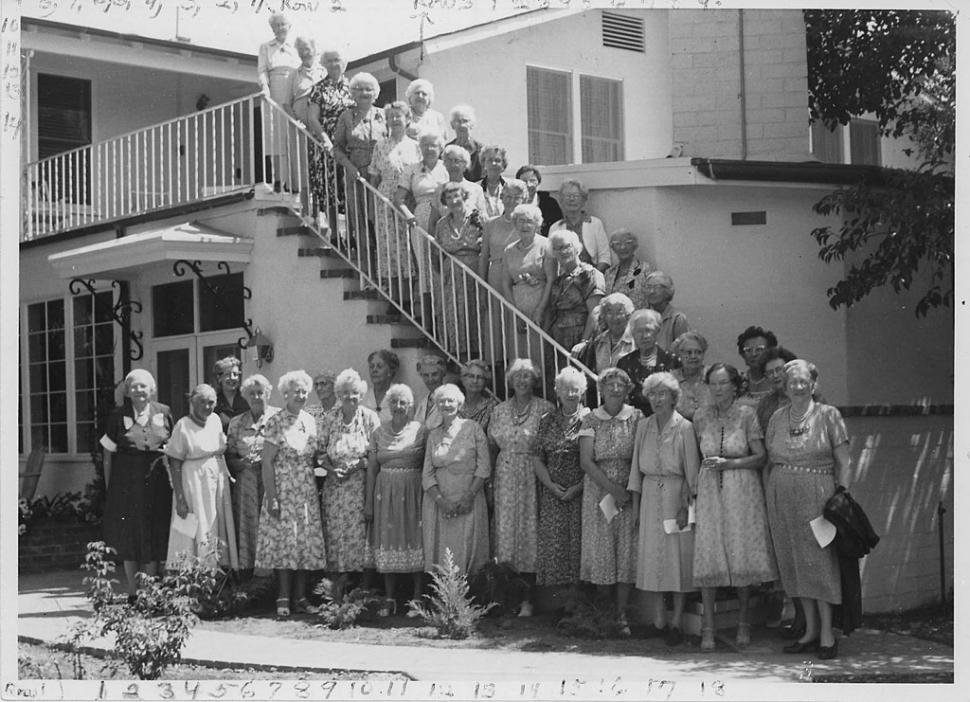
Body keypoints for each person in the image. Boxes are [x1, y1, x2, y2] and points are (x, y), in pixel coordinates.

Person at [765, 360, 850, 660]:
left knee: (819, 565)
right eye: (792, 382)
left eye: (803, 381)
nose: (798, 386)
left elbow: (844, 461)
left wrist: (841, 496)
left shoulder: (829, 415)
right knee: (794, 564)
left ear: (814, 384)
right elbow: (770, 458)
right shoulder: (777, 417)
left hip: (817, 496)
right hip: (782, 496)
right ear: (785, 387)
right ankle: (810, 631)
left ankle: (827, 635)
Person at [692, 363, 778, 651]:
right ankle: (708, 627)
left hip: (742, 489)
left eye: (723, 383)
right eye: (713, 384)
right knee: (709, 552)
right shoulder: (700, 417)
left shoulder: (746, 414)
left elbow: (761, 457)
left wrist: (729, 464)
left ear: (734, 385)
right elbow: (695, 456)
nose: (717, 389)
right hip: (708, 490)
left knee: (741, 552)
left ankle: (742, 622)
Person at [628, 373, 700, 647]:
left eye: (663, 394)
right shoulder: (644, 426)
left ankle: (676, 621)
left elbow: (691, 471)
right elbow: (636, 467)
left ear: (673, 397)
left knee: (676, 560)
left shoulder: (685, 427)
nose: (657, 399)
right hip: (649, 496)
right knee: (653, 561)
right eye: (653, 394)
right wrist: (635, 507)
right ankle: (658, 620)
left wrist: (685, 506)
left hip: (675, 496)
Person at [254, 370, 327, 617]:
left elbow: (316, 456)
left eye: (305, 391)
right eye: (296, 390)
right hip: (283, 489)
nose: (301, 395)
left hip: (305, 489)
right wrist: (272, 497)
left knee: (304, 543)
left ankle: (301, 597)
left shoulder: (310, 420)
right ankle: (283, 596)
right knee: (285, 544)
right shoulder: (275, 421)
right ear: (285, 393)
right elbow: (266, 462)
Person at [578, 368, 644, 635]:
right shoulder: (591, 419)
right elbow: (585, 461)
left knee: (626, 550)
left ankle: (621, 615)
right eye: (610, 385)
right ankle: (604, 615)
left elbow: (641, 456)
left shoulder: (638, 418)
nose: (615, 389)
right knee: (602, 551)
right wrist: (612, 489)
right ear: (601, 390)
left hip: (629, 488)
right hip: (599, 490)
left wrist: (626, 491)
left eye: (621, 385)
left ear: (628, 389)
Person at [488, 359, 555, 616]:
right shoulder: (500, 410)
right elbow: (492, 447)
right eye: (518, 376)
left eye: (527, 376)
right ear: (510, 381)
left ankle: (528, 600)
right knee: (505, 536)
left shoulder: (544, 408)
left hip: (532, 475)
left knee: (530, 535)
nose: (522, 380)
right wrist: (491, 484)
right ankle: (506, 599)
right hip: (505, 475)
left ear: (535, 381)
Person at [100, 369, 174, 602]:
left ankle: (149, 590)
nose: (139, 391)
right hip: (126, 482)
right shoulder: (117, 415)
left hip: (157, 481)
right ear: (127, 392)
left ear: (151, 389)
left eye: (143, 386)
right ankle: (133, 591)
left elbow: (173, 448)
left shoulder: (164, 412)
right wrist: (110, 485)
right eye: (134, 387)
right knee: (129, 534)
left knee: (154, 530)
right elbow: (107, 454)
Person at [364, 383, 427, 615]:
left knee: (414, 538)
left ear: (410, 406)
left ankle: (417, 597)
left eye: (403, 402)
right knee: (387, 539)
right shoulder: (378, 432)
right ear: (388, 406)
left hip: (413, 492)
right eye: (395, 402)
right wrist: (369, 502)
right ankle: (390, 598)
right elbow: (371, 469)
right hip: (385, 493)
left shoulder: (421, 431)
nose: (399, 406)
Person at [166, 384, 239, 570]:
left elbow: (220, 450)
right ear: (192, 402)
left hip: (216, 481)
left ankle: (217, 573)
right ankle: (192, 574)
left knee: (216, 523)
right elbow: (174, 462)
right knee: (194, 526)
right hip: (193, 484)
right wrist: (180, 499)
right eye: (202, 402)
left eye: (211, 402)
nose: (207, 407)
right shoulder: (183, 425)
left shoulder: (215, 419)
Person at [317, 369, 382, 580]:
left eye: (354, 392)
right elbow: (319, 454)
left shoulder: (370, 418)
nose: (349, 397)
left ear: (361, 395)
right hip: (334, 488)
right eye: (345, 392)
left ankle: (362, 588)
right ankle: (336, 589)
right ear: (338, 394)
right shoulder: (330, 419)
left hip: (360, 486)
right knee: (335, 535)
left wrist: (358, 464)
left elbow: (377, 455)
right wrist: (331, 469)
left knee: (360, 536)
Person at [422, 384, 492, 576]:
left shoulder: (473, 428)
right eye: (442, 401)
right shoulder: (434, 434)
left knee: (469, 550)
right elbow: (426, 474)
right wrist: (441, 501)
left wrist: (469, 496)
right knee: (443, 555)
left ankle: (470, 601)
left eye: (451, 400)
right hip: (439, 504)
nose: (446, 404)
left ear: (459, 404)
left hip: (469, 500)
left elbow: (484, 467)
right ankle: (445, 601)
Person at [533, 367, 589, 596]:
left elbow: (597, 460)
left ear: (582, 392)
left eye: (575, 389)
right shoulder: (548, 419)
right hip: (553, 492)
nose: (570, 394)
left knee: (578, 545)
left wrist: (578, 488)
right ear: (557, 391)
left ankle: (578, 602)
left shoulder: (590, 419)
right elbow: (537, 457)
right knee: (556, 545)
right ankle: (562, 604)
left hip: (581, 492)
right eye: (566, 389)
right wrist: (551, 486)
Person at [225, 374, 281, 578]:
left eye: (260, 392)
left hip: (273, 483)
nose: (257, 397)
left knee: (274, 529)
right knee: (248, 530)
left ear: (268, 393)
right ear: (246, 397)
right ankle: (250, 582)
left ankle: (274, 580)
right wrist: (241, 464)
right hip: (246, 483)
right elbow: (228, 456)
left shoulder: (279, 418)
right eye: (252, 394)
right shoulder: (237, 423)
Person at [369, 101, 421, 293]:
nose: (394, 120)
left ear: (407, 119)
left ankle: (409, 297)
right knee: (388, 245)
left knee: (408, 245)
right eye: (390, 117)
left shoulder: (416, 146)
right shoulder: (380, 146)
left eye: (398, 115)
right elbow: (374, 177)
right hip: (385, 201)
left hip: (408, 201)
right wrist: (372, 208)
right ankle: (395, 295)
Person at [396, 131, 449, 317]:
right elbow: (398, 198)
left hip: (446, 217)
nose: (429, 148)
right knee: (425, 268)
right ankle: (428, 319)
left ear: (440, 147)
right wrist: (408, 215)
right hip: (421, 219)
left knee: (444, 265)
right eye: (425, 145)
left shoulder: (447, 167)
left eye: (433, 145)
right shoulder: (412, 169)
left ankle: (444, 314)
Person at [433, 181, 486, 356]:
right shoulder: (441, 224)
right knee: (454, 313)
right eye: (448, 197)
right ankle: (458, 354)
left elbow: (488, 246)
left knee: (476, 311)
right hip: (452, 276)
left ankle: (479, 355)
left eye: (456, 195)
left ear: (464, 196)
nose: (453, 200)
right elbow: (436, 253)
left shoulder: (478, 219)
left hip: (475, 272)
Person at [333, 72, 387, 245]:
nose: (364, 93)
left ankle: (384, 266)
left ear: (375, 93)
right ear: (353, 93)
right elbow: (337, 148)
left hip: (380, 175)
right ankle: (365, 265)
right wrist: (348, 166)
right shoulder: (346, 117)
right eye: (359, 89)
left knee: (382, 218)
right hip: (356, 175)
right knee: (361, 219)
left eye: (368, 89)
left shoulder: (384, 115)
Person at [478, 180, 529, 363]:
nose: (511, 201)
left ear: (525, 198)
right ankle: (497, 374)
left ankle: (518, 367)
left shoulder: (528, 222)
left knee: (516, 324)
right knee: (496, 324)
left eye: (517, 197)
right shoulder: (490, 224)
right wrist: (482, 288)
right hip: (497, 276)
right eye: (507, 196)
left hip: (519, 277)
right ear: (501, 197)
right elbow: (484, 256)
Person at [500, 204, 555, 366]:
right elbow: (505, 283)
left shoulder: (546, 245)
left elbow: (551, 279)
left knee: (540, 352)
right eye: (520, 221)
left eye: (529, 221)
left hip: (541, 307)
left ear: (537, 224)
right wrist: (515, 313)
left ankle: (542, 390)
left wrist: (540, 310)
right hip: (518, 308)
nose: (524, 225)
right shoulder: (509, 250)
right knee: (519, 354)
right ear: (515, 224)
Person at [307, 48, 355, 228]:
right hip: (327, 144)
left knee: (348, 187)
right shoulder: (318, 88)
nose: (334, 64)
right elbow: (312, 118)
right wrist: (326, 139)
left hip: (349, 144)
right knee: (330, 188)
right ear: (324, 65)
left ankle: (353, 233)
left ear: (344, 63)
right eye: (330, 61)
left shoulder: (353, 87)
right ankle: (335, 233)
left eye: (337, 59)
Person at [256, 12, 300, 190]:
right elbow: (262, 70)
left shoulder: (296, 46)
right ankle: (278, 179)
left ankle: (294, 180)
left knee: (292, 133)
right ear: (272, 28)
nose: (281, 28)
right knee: (275, 134)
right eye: (277, 25)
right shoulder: (266, 47)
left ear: (289, 27)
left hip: (294, 87)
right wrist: (265, 87)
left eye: (284, 24)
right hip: (276, 87)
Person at [547, 229, 605, 352]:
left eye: (566, 246)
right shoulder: (558, 280)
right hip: (558, 341)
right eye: (557, 248)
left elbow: (595, 311)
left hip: (580, 340)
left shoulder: (589, 275)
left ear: (576, 248)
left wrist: (584, 342)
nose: (562, 251)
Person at [616, 309, 682, 417]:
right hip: (634, 422)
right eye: (639, 331)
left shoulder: (672, 360)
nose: (644, 336)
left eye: (648, 330)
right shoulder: (624, 363)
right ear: (633, 334)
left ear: (657, 332)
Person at [548, 179, 611, 273]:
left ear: (583, 200)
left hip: (592, 276)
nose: (572, 199)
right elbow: (551, 259)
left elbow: (604, 257)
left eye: (576, 196)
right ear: (561, 200)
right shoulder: (555, 227)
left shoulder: (595, 223)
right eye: (567, 196)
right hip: (565, 279)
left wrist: (593, 277)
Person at [428, 145, 488, 234]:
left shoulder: (476, 189)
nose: (453, 165)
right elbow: (433, 223)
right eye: (449, 161)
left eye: (457, 161)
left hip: (472, 242)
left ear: (465, 164)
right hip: (445, 243)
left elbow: (484, 219)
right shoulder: (439, 190)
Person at [603, 229, 654, 311]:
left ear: (634, 245)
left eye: (628, 243)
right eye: (617, 244)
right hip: (615, 321)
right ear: (613, 248)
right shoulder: (608, 273)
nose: (623, 247)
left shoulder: (646, 269)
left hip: (639, 320)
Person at [671, 331, 713, 421]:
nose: (693, 356)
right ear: (679, 354)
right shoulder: (670, 380)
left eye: (698, 352)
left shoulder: (713, 375)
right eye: (688, 352)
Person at [755, 346, 799, 433]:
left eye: (779, 369)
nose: (775, 375)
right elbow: (759, 434)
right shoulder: (765, 403)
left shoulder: (807, 397)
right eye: (769, 372)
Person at [735, 325, 780, 410]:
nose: (753, 354)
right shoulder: (738, 382)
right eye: (748, 350)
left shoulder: (779, 381)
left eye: (759, 350)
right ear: (742, 354)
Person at [283, 36, 325, 126]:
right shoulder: (293, 76)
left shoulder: (324, 72)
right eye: (301, 50)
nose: (304, 53)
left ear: (314, 50)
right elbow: (286, 104)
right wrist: (296, 122)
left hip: (322, 121)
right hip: (301, 124)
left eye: (307, 49)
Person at [644, 271, 690, 352]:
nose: (651, 291)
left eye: (657, 287)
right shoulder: (642, 317)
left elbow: (685, 351)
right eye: (648, 287)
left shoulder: (677, 319)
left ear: (668, 291)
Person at [515, 164, 561, 236]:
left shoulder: (550, 204)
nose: (528, 185)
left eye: (532, 180)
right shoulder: (512, 204)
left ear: (539, 183)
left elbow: (558, 228)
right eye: (524, 181)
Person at [458, 360, 500, 433]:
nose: (475, 381)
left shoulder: (492, 407)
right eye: (471, 376)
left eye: (480, 377)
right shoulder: (454, 404)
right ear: (463, 379)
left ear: (485, 381)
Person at [445, 104, 483, 182]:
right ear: (452, 125)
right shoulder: (445, 150)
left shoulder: (481, 150)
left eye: (465, 121)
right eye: (458, 121)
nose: (462, 125)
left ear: (472, 125)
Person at [362, 349, 401, 423]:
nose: (374, 370)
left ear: (390, 371)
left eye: (379, 366)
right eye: (371, 366)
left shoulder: (400, 396)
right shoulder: (363, 397)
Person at [213, 356, 249, 434]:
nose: (232, 378)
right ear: (219, 377)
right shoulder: (214, 401)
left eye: (235, 374)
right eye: (228, 374)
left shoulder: (247, 398)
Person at [413, 355, 447, 428]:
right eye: (426, 375)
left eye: (434, 374)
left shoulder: (450, 400)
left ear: (443, 374)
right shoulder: (423, 402)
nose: (430, 379)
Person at [478, 145, 508, 219]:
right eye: (489, 160)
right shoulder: (476, 187)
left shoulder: (510, 186)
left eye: (497, 160)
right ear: (484, 164)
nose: (493, 163)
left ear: (503, 164)